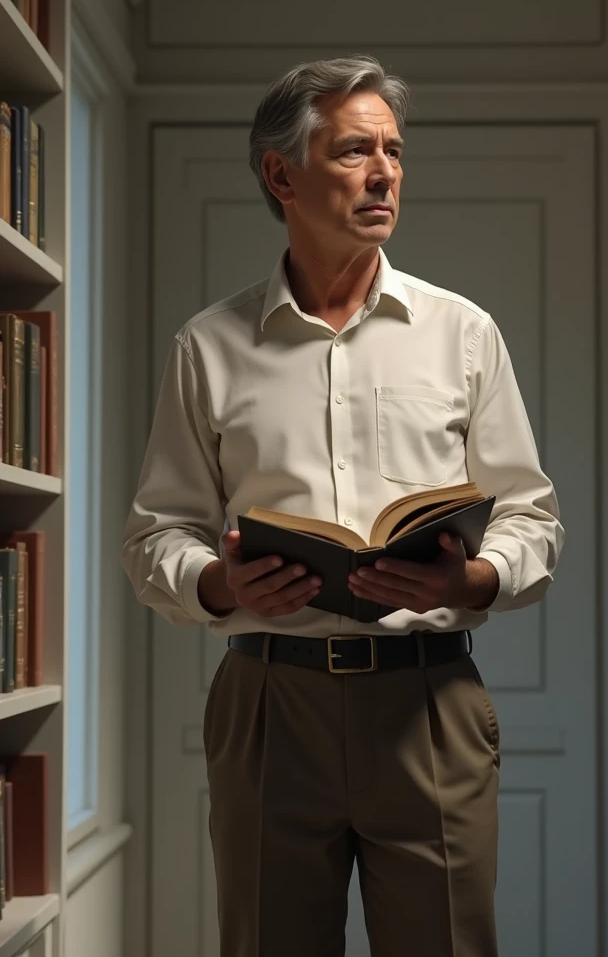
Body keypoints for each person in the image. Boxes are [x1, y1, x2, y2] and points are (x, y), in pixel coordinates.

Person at [121, 55, 564, 957]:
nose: (385, 172)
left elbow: (533, 519)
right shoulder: (207, 346)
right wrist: (217, 580)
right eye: (355, 150)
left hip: (429, 702)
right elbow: (154, 535)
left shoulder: (463, 333)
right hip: (268, 705)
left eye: (394, 151)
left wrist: (472, 574)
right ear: (282, 174)